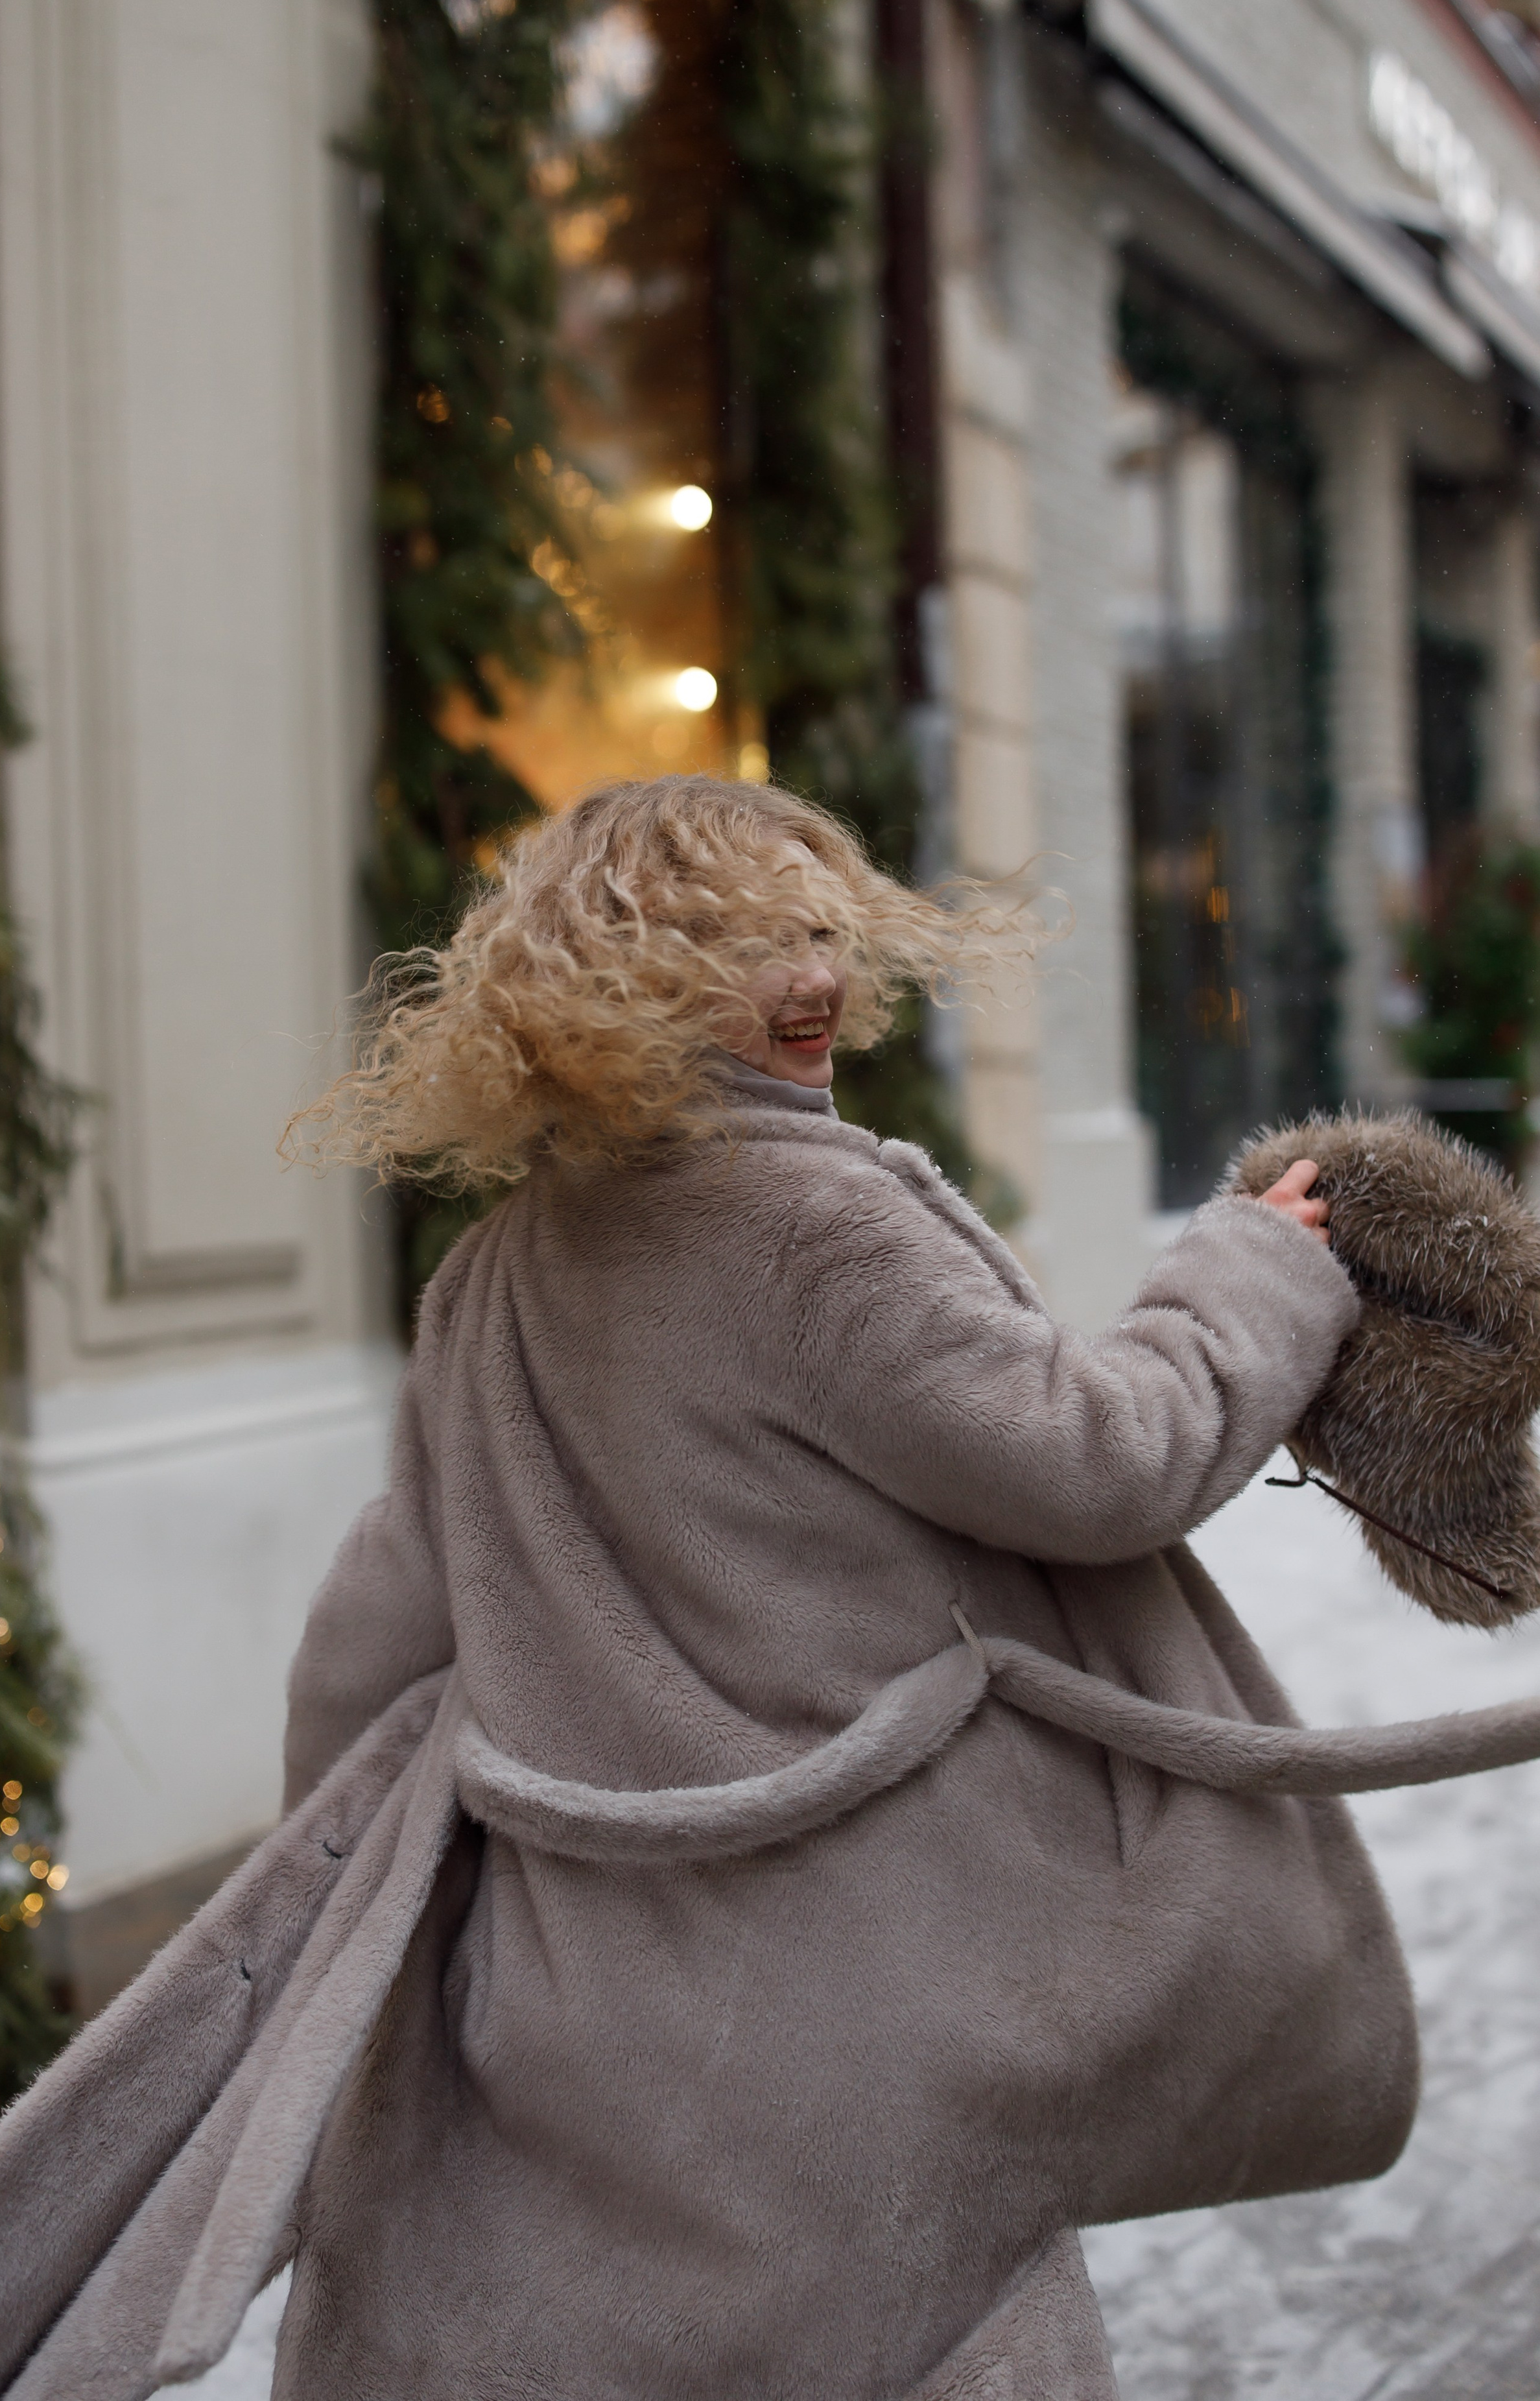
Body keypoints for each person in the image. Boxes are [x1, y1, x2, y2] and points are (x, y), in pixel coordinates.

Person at [268, 773, 1352, 2396]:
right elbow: (1100, 1459)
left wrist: (341, 1919)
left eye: (820, 930)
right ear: (619, 974)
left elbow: (367, 1639)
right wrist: (1259, 1269)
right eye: (741, 940)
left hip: (588, 2015)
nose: (811, 981)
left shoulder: (493, 1272)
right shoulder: (813, 1226)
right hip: (863, 2008)